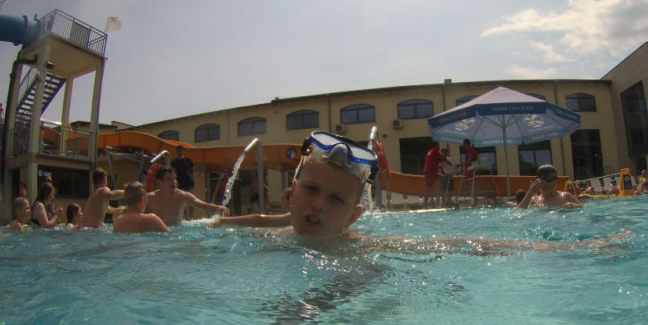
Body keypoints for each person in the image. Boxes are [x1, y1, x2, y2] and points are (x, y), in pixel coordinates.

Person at [210, 132, 626, 254]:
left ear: (353, 216)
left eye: (336, 199)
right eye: (312, 190)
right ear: (291, 194)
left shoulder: (359, 247)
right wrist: (218, 223)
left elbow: (455, 243)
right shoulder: (281, 229)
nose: (319, 203)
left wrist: (560, 249)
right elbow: (259, 220)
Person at [147, 167, 229, 226]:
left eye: (174, 178)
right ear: (159, 182)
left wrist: (218, 208)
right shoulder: (149, 199)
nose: (173, 182)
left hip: (176, 237)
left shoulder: (182, 196)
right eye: (169, 179)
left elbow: (204, 206)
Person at [517, 164, 584, 209]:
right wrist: (530, 193)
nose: (545, 183)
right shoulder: (535, 200)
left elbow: (583, 208)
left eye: (548, 178)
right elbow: (519, 213)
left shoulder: (566, 196)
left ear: (556, 180)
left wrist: (574, 205)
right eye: (541, 180)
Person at [423, 141, 441, 208]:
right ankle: (426, 203)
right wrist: (449, 162)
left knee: (429, 187)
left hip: (429, 171)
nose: (439, 147)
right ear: (436, 146)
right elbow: (442, 158)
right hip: (431, 172)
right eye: (438, 145)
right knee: (429, 187)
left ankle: (433, 200)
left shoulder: (430, 151)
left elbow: (433, 161)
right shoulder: (435, 151)